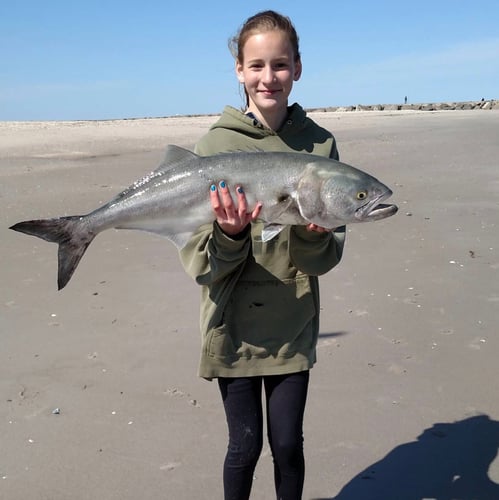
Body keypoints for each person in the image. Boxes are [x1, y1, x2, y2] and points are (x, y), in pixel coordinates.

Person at [179, 10, 346, 500]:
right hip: (232, 328)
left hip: (293, 323)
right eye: (256, 66)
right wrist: (230, 236)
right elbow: (201, 265)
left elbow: (324, 258)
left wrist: (316, 233)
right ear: (239, 70)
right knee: (243, 448)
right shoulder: (215, 146)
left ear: (297, 66)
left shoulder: (320, 145)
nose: (267, 77)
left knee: (288, 444)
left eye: (279, 65)